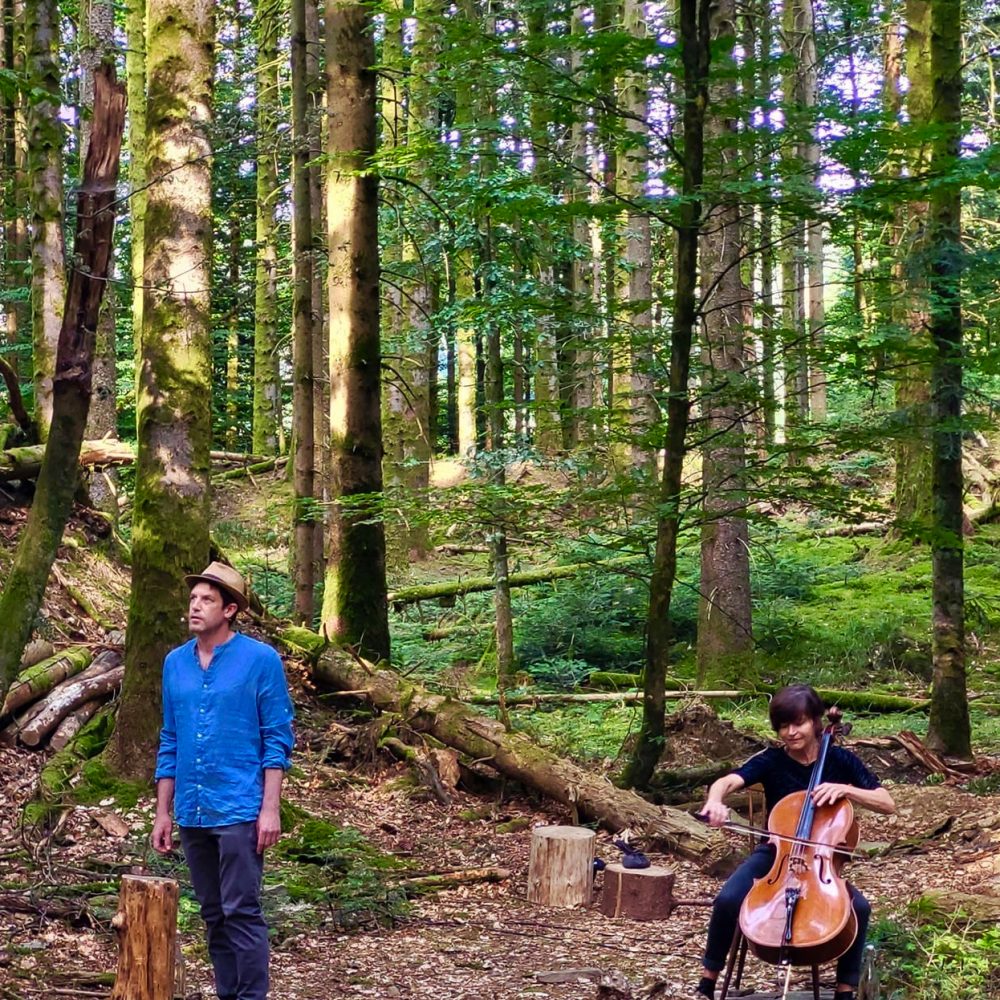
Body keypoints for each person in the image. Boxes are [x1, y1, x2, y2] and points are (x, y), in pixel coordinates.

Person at [695, 684, 895, 1000]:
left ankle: (845, 990)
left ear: (816, 722)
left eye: (798, 723)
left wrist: (846, 789)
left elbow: (886, 802)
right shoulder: (772, 760)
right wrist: (715, 799)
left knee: (859, 908)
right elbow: (728, 780)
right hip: (777, 853)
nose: (790, 732)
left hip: (821, 858)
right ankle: (708, 981)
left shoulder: (841, 760)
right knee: (728, 899)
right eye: (783, 726)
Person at [152, 562, 295, 1000]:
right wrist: (163, 811)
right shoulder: (175, 663)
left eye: (207, 600)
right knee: (213, 913)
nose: (195, 606)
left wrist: (269, 809)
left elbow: (277, 737)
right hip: (193, 809)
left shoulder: (261, 661)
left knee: (241, 912)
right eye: (193, 598)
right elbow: (170, 738)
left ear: (230, 609)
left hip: (239, 807)